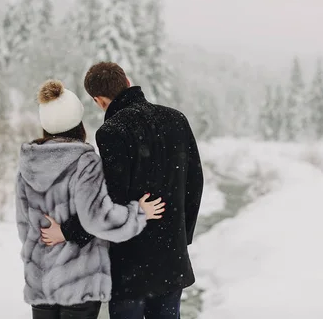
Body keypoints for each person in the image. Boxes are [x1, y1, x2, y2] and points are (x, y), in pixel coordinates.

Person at [40, 62, 204, 319]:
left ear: (99, 100)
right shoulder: (176, 119)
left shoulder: (112, 132)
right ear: (127, 81)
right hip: (171, 261)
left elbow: (109, 200)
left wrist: (67, 232)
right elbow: (195, 184)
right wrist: (180, 237)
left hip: (130, 265)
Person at [16, 79, 166, 319]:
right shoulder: (85, 162)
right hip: (79, 282)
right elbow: (98, 219)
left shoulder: (27, 165)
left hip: (40, 281)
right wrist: (138, 213)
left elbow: (25, 227)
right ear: (78, 122)